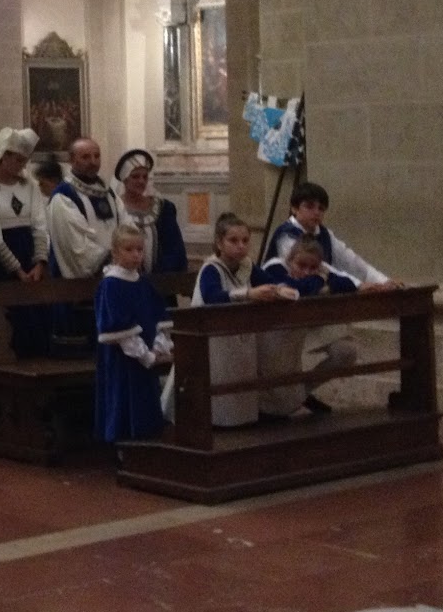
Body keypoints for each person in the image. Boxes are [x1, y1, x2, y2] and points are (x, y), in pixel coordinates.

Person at [160, 213, 295, 428]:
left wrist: (281, 289)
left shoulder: (247, 265)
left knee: (238, 379)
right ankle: (211, 422)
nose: (241, 246)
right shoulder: (211, 268)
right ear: (219, 243)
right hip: (209, 338)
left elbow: (270, 281)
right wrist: (248, 294)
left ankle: (239, 421)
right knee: (215, 380)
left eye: (245, 240)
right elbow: (212, 296)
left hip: (237, 335)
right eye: (233, 240)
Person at [257, 234, 361, 418]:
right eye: (301, 265)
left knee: (346, 351)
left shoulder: (321, 271)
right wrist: (320, 281)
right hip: (278, 328)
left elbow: (348, 284)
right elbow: (298, 290)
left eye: (312, 267)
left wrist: (321, 280)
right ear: (290, 260)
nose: (306, 271)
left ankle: (301, 393)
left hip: (310, 323)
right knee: (278, 375)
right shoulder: (275, 267)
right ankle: (281, 406)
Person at [0, 127, 52, 357]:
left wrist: (39, 261)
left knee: (33, 323)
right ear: (4, 156)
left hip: (29, 257)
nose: (22, 165)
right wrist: (17, 270)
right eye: (18, 159)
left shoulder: (29, 186)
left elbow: (40, 225)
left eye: (25, 160)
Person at [93, 225, 173, 443]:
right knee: (123, 400)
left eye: (140, 249)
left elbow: (159, 316)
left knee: (145, 400)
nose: (136, 255)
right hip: (122, 358)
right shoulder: (110, 285)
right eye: (129, 250)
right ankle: (124, 447)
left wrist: (158, 346)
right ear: (115, 252)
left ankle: (145, 443)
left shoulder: (143, 282)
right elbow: (118, 328)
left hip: (147, 352)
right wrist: (145, 355)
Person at [268, 181, 394, 287]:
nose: (316, 212)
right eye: (309, 207)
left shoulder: (325, 233)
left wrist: (384, 281)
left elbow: (352, 262)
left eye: (321, 208)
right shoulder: (285, 235)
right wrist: (357, 285)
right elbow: (321, 267)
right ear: (294, 208)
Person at [46, 138, 119, 279]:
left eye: (97, 156)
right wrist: (111, 263)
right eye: (85, 157)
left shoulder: (108, 193)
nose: (93, 162)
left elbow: (125, 227)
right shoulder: (64, 196)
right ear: (72, 160)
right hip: (81, 282)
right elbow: (75, 245)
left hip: (114, 270)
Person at [113, 149, 188, 274]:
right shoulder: (115, 208)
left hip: (161, 279)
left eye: (145, 177)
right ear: (125, 179)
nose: (141, 181)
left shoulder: (163, 208)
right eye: (135, 176)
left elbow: (174, 248)